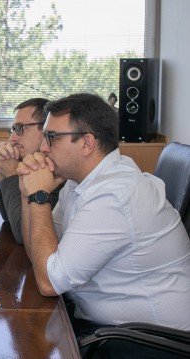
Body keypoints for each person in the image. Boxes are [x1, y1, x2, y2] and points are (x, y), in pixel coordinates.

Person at [17, 93, 190, 355]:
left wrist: (38, 197)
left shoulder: (115, 196)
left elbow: (48, 283)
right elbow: (40, 255)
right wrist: (26, 192)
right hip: (108, 327)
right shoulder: (80, 182)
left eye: (51, 137)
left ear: (87, 143)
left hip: (145, 343)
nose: (42, 147)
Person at [0, 98, 62, 244]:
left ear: (47, 128)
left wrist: (11, 174)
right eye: (13, 130)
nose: (12, 139)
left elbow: (24, 235)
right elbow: (10, 217)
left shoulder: (58, 170)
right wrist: (2, 175)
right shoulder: (35, 165)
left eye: (20, 128)